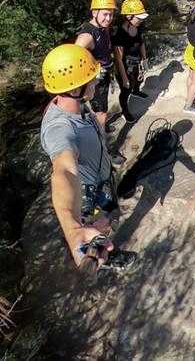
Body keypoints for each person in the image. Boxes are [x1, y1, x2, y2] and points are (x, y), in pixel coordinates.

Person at [40, 43, 137, 272]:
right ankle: (108, 260)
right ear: (75, 89)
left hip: (101, 180)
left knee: (108, 216)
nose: (95, 81)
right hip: (89, 194)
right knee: (100, 224)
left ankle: (102, 243)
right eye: (90, 79)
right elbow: (64, 170)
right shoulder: (60, 128)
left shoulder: (70, 103)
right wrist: (71, 229)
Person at [75, 0, 116, 133]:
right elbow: (74, 57)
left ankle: (101, 128)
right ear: (94, 13)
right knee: (101, 113)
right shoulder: (88, 35)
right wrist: (91, 73)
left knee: (102, 109)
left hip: (104, 75)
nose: (108, 18)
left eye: (111, 14)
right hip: (96, 80)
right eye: (105, 14)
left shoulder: (103, 27)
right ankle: (102, 144)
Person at [113, 0, 149, 123]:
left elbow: (141, 42)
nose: (141, 20)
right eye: (139, 18)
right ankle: (125, 111)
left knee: (139, 78)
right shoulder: (120, 34)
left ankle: (136, 91)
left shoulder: (139, 26)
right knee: (125, 89)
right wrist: (124, 78)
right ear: (129, 16)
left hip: (136, 61)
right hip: (124, 66)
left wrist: (144, 61)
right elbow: (118, 59)